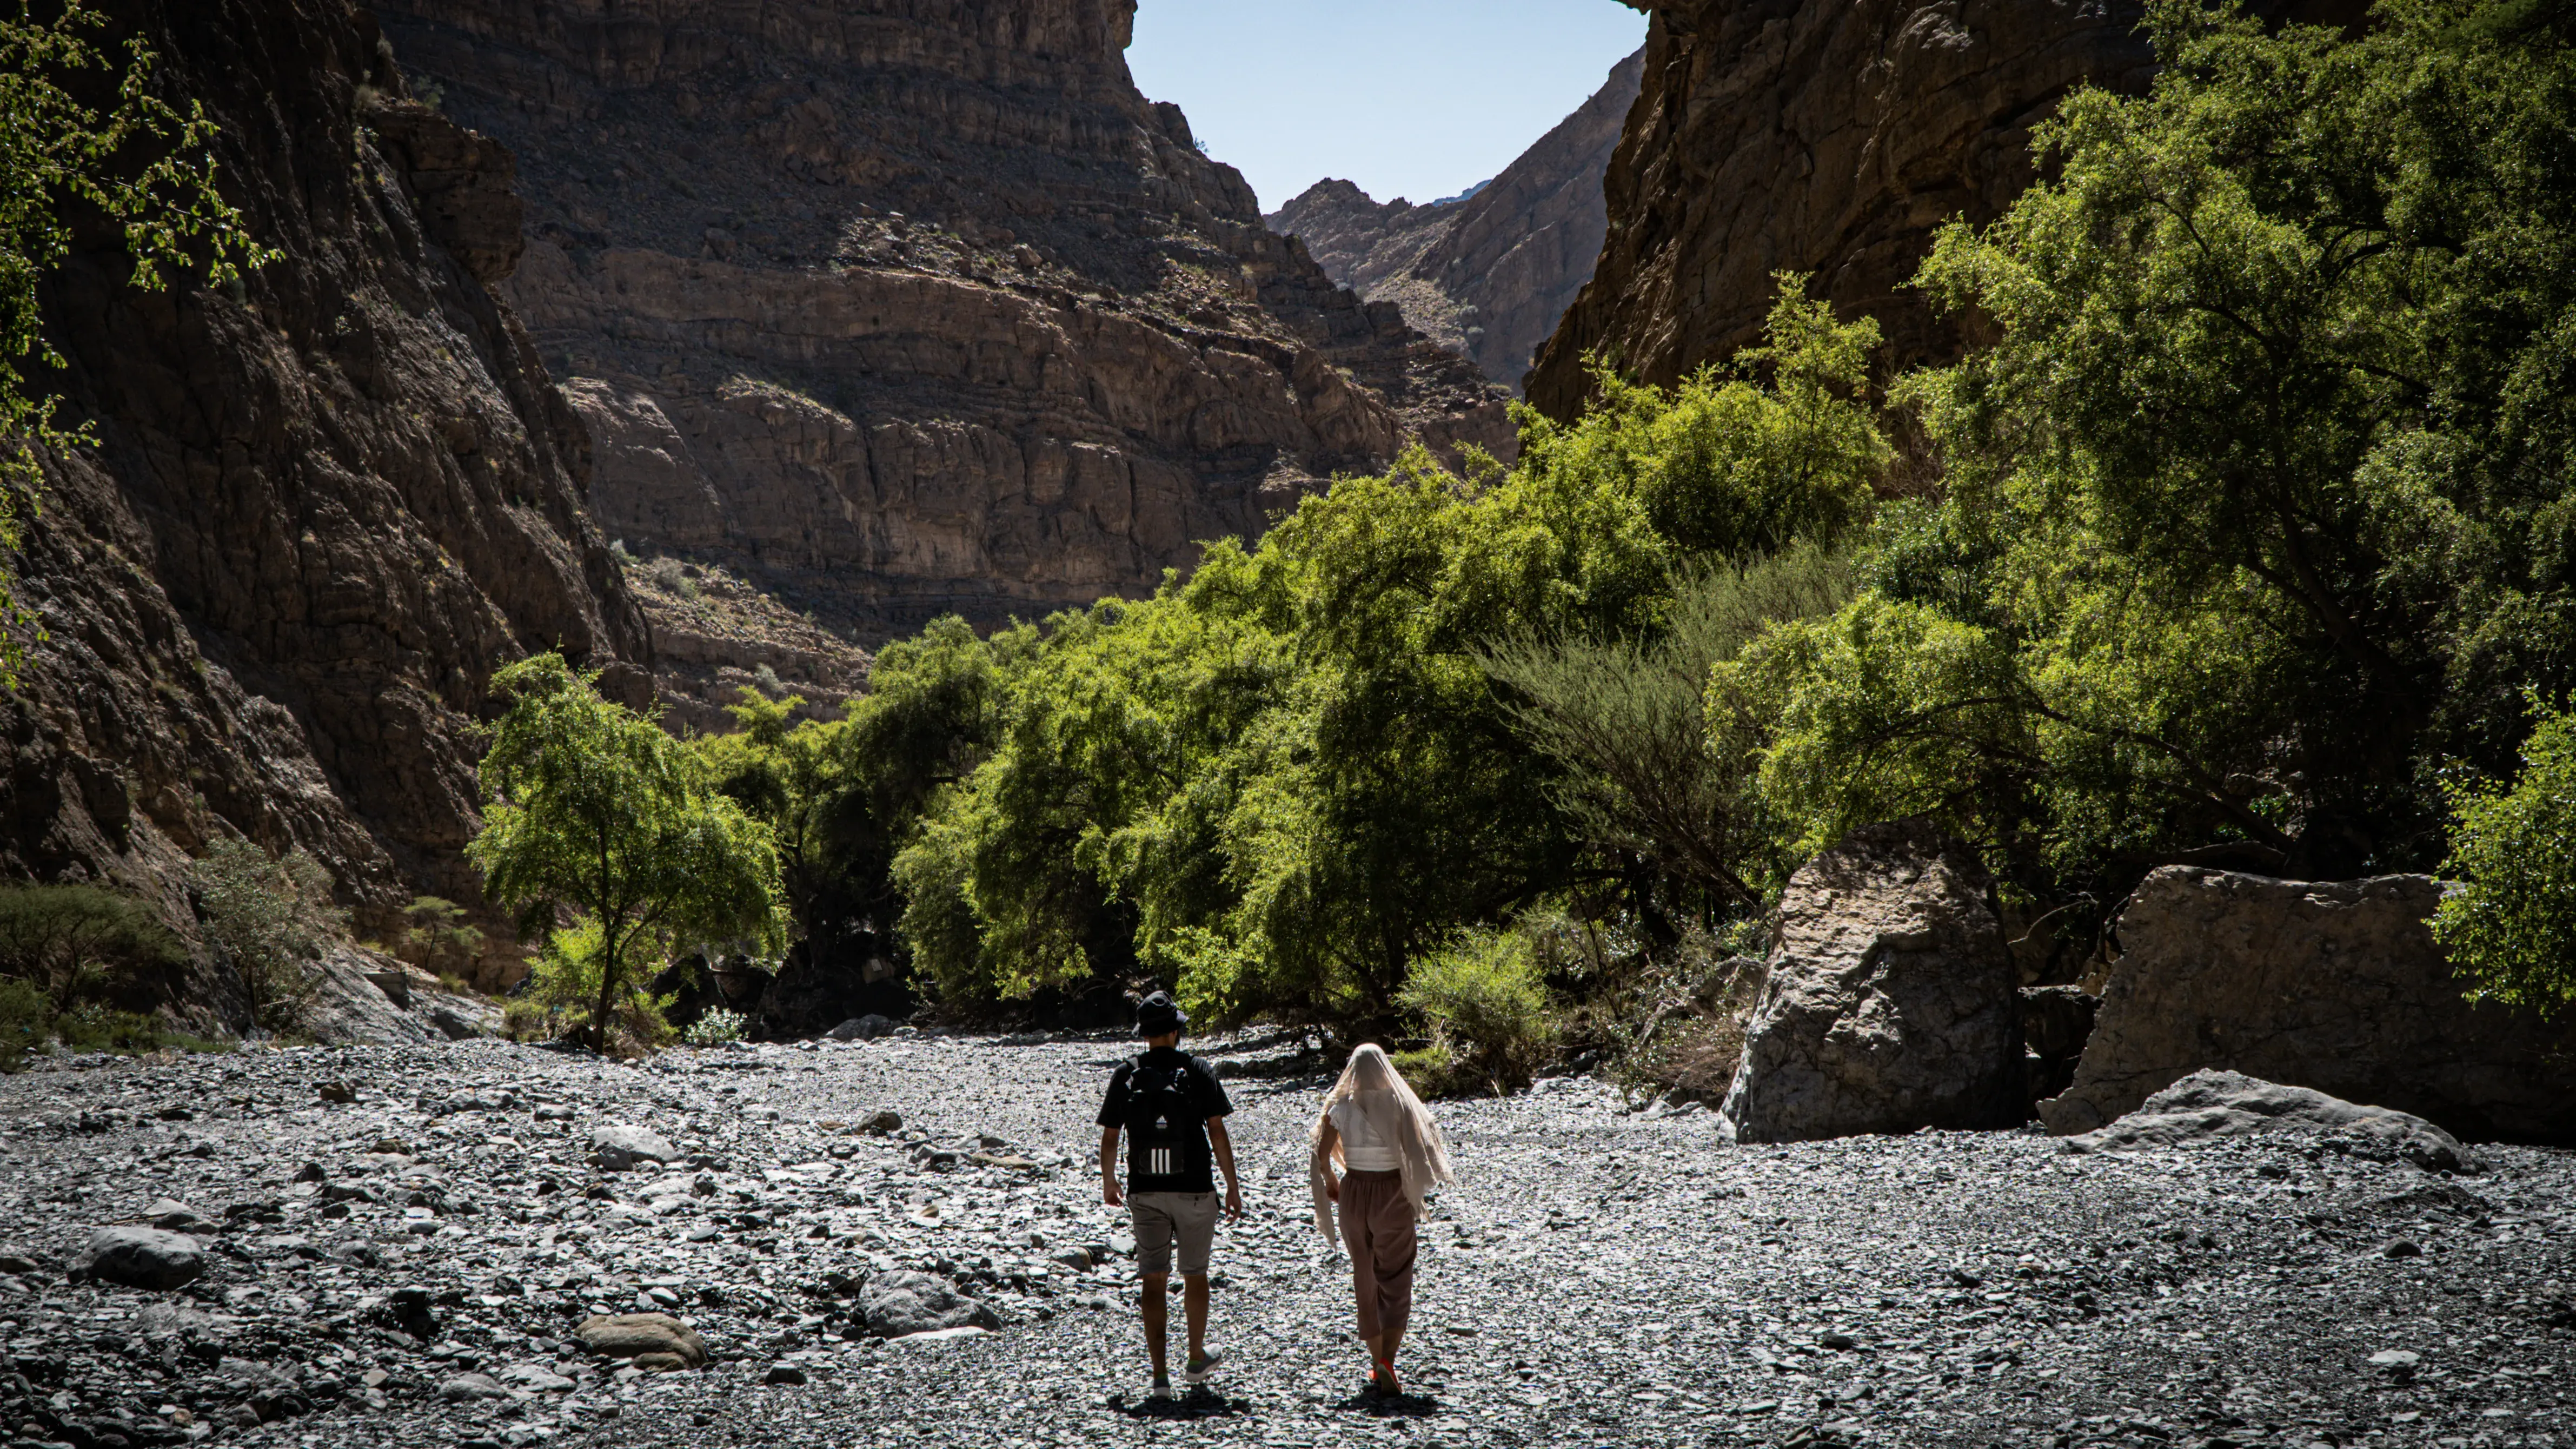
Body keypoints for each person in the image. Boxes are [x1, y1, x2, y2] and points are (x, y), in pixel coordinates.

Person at [1097, 990, 1243, 1400]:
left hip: (1145, 1190)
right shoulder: (1198, 1069)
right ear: (1176, 1030)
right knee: (1195, 1274)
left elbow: (1111, 1136)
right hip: (1195, 1188)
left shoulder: (1126, 1073)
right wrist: (1232, 1185)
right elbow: (1217, 1130)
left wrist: (1109, 1181)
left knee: (1153, 1278)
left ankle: (1159, 1377)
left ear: (1145, 1034)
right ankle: (1196, 1357)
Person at [1308, 1043, 1456, 1398]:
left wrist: (1331, 1181)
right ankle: (1389, 1359)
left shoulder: (1340, 1106)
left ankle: (1377, 1363)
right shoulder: (1399, 1104)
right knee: (1397, 1274)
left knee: (1365, 1274)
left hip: (1354, 1192)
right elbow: (1419, 1145)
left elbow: (1321, 1153)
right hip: (1390, 1192)